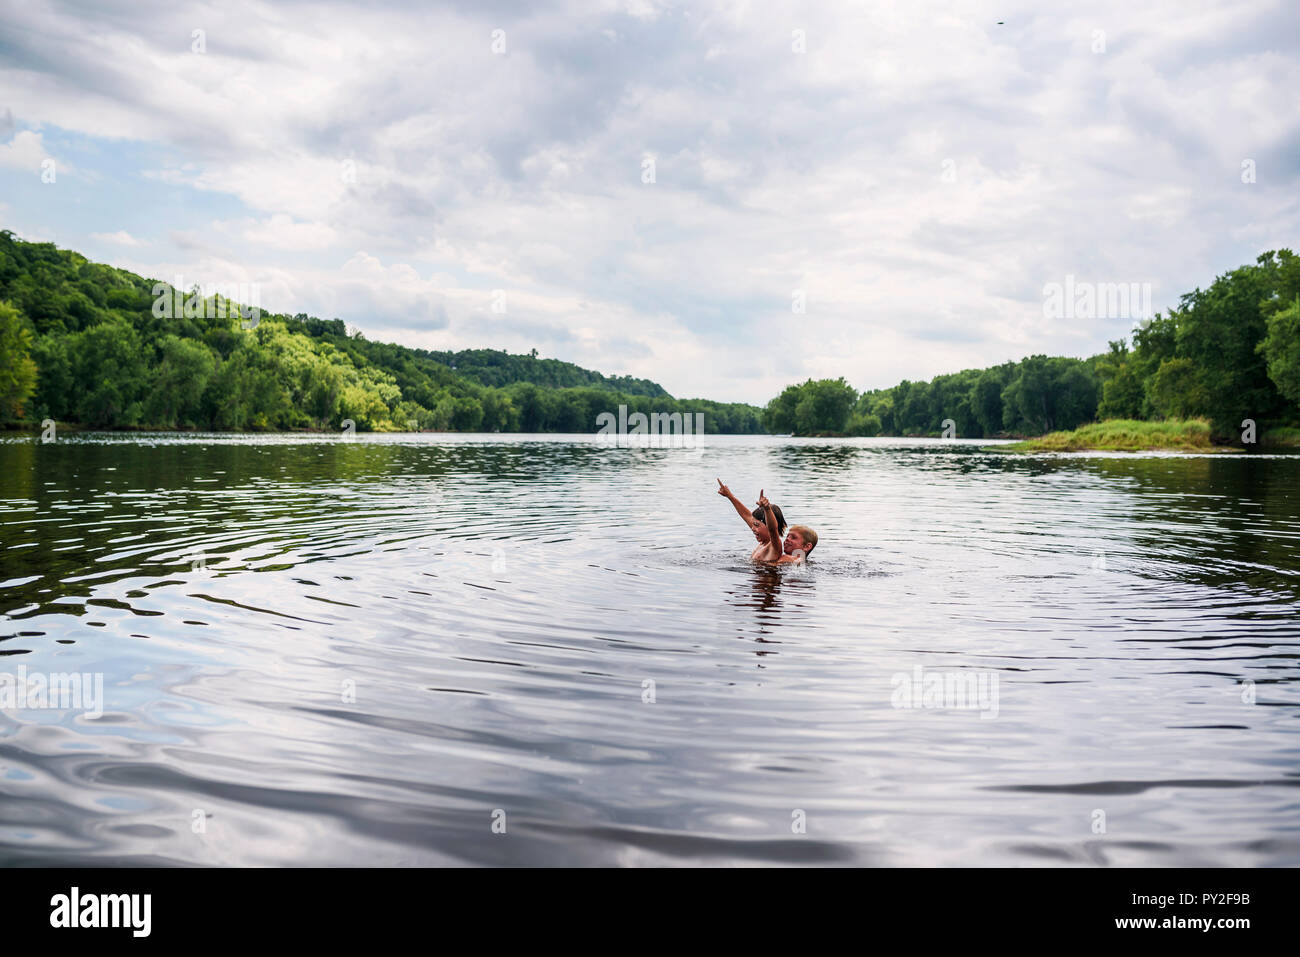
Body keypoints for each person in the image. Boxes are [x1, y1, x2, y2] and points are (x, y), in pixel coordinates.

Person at [718, 478, 786, 561]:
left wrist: (767, 509)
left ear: (768, 525)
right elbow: (746, 515)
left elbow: (772, 529)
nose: (752, 528)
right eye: (753, 524)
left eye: (757, 525)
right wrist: (730, 496)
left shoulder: (774, 546)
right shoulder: (763, 543)